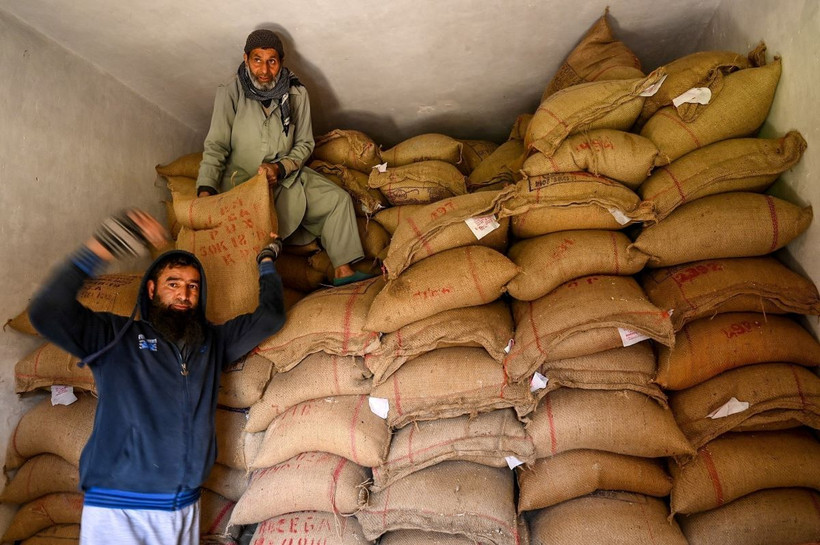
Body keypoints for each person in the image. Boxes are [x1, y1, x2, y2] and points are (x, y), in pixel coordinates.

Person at [28, 209, 286, 545]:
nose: (184, 295)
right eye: (173, 284)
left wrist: (266, 261)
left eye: (193, 287)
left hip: (183, 506)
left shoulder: (211, 343)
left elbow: (270, 317)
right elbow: (47, 311)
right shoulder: (115, 338)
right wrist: (108, 241)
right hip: (120, 508)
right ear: (151, 290)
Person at [196, 28, 370, 286]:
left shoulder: (297, 94)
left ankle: (343, 271)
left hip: (287, 176)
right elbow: (216, 145)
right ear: (246, 59)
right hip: (243, 184)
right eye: (257, 60)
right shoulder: (230, 92)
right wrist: (205, 193)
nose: (264, 70)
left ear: (281, 63)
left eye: (272, 61)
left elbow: (304, 144)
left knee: (338, 200)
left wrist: (280, 167)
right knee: (253, 242)